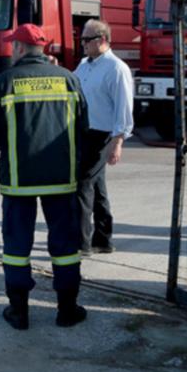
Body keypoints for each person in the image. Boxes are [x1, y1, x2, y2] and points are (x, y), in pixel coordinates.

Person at [0, 23, 90, 330]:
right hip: (62, 178)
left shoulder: (3, 82)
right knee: (66, 246)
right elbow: (84, 127)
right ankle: (67, 310)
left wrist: (7, 144)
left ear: (18, 48)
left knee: (16, 247)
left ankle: (19, 312)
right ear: (43, 49)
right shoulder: (69, 79)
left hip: (18, 180)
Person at [73, 19, 134, 255]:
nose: (83, 44)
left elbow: (124, 108)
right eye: (81, 40)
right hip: (85, 132)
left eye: (87, 40)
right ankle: (103, 239)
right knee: (97, 188)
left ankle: (81, 243)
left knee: (83, 184)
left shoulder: (116, 68)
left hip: (102, 135)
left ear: (102, 40)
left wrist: (118, 141)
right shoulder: (84, 65)